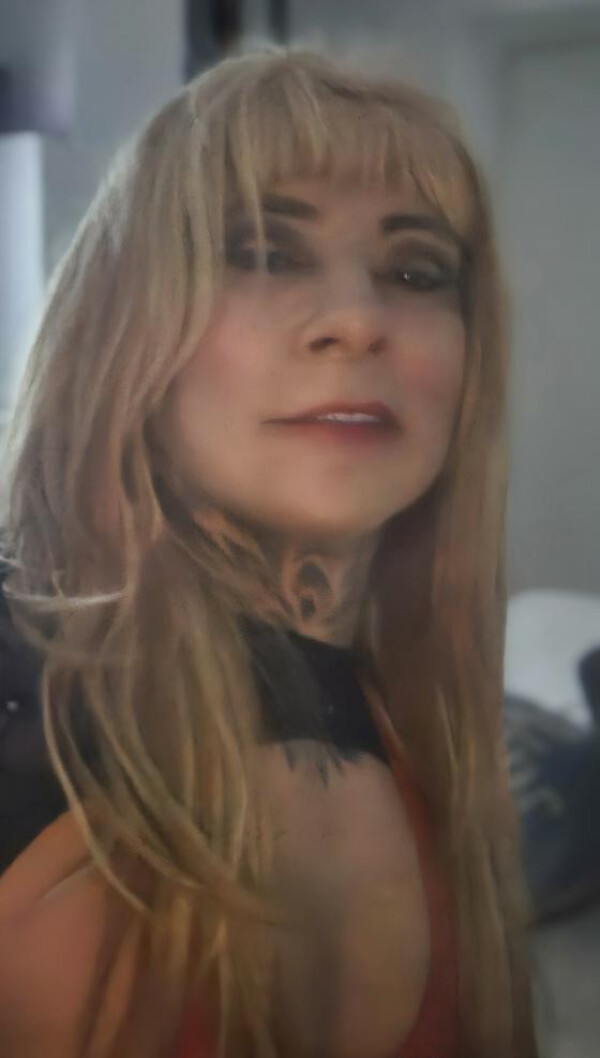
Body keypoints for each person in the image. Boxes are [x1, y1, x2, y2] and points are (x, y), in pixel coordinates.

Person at [0, 47, 539, 1058]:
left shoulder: (432, 731)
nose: (357, 320)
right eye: (265, 253)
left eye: (415, 272)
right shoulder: (23, 686)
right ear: (121, 326)